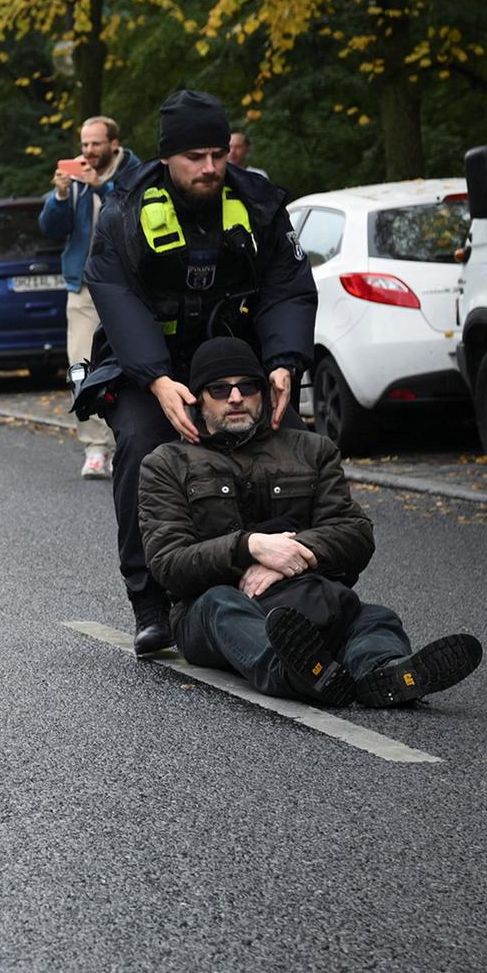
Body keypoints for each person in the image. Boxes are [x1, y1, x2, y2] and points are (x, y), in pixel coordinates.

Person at [77, 90, 315, 656]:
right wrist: (157, 380)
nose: (210, 167)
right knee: (140, 443)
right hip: (147, 367)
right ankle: (151, 601)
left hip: (238, 362)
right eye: (195, 157)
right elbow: (116, 296)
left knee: (291, 440)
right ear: (166, 160)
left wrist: (283, 364)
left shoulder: (259, 205)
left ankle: (293, 574)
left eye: (218, 153)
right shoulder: (124, 213)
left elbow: (288, 287)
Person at [137, 338, 480, 707]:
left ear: (263, 393)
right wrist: (250, 547)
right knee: (221, 605)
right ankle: (291, 672)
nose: (235, 397)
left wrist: (294, 555)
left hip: (308, 596)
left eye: (247, 386)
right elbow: (168, 562)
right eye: (219, 389)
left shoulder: (313, 450)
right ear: (198, 399)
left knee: (373, 619)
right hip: (214, 609)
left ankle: (385, 673)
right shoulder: (166, 464)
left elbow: (355, 532)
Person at [39, 116, 140, 480]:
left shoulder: (135, 172)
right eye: (84, 145)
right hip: (83, 285)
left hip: (128, 285)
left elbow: (133, 212)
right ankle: (95, 448)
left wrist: (101, 186)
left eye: (95, 144)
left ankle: (129, 442)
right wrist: (61, 196)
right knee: (82, 364)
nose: (88, 152)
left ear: (114, 144)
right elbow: (50, 228)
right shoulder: (75, 177)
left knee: (131, 362)